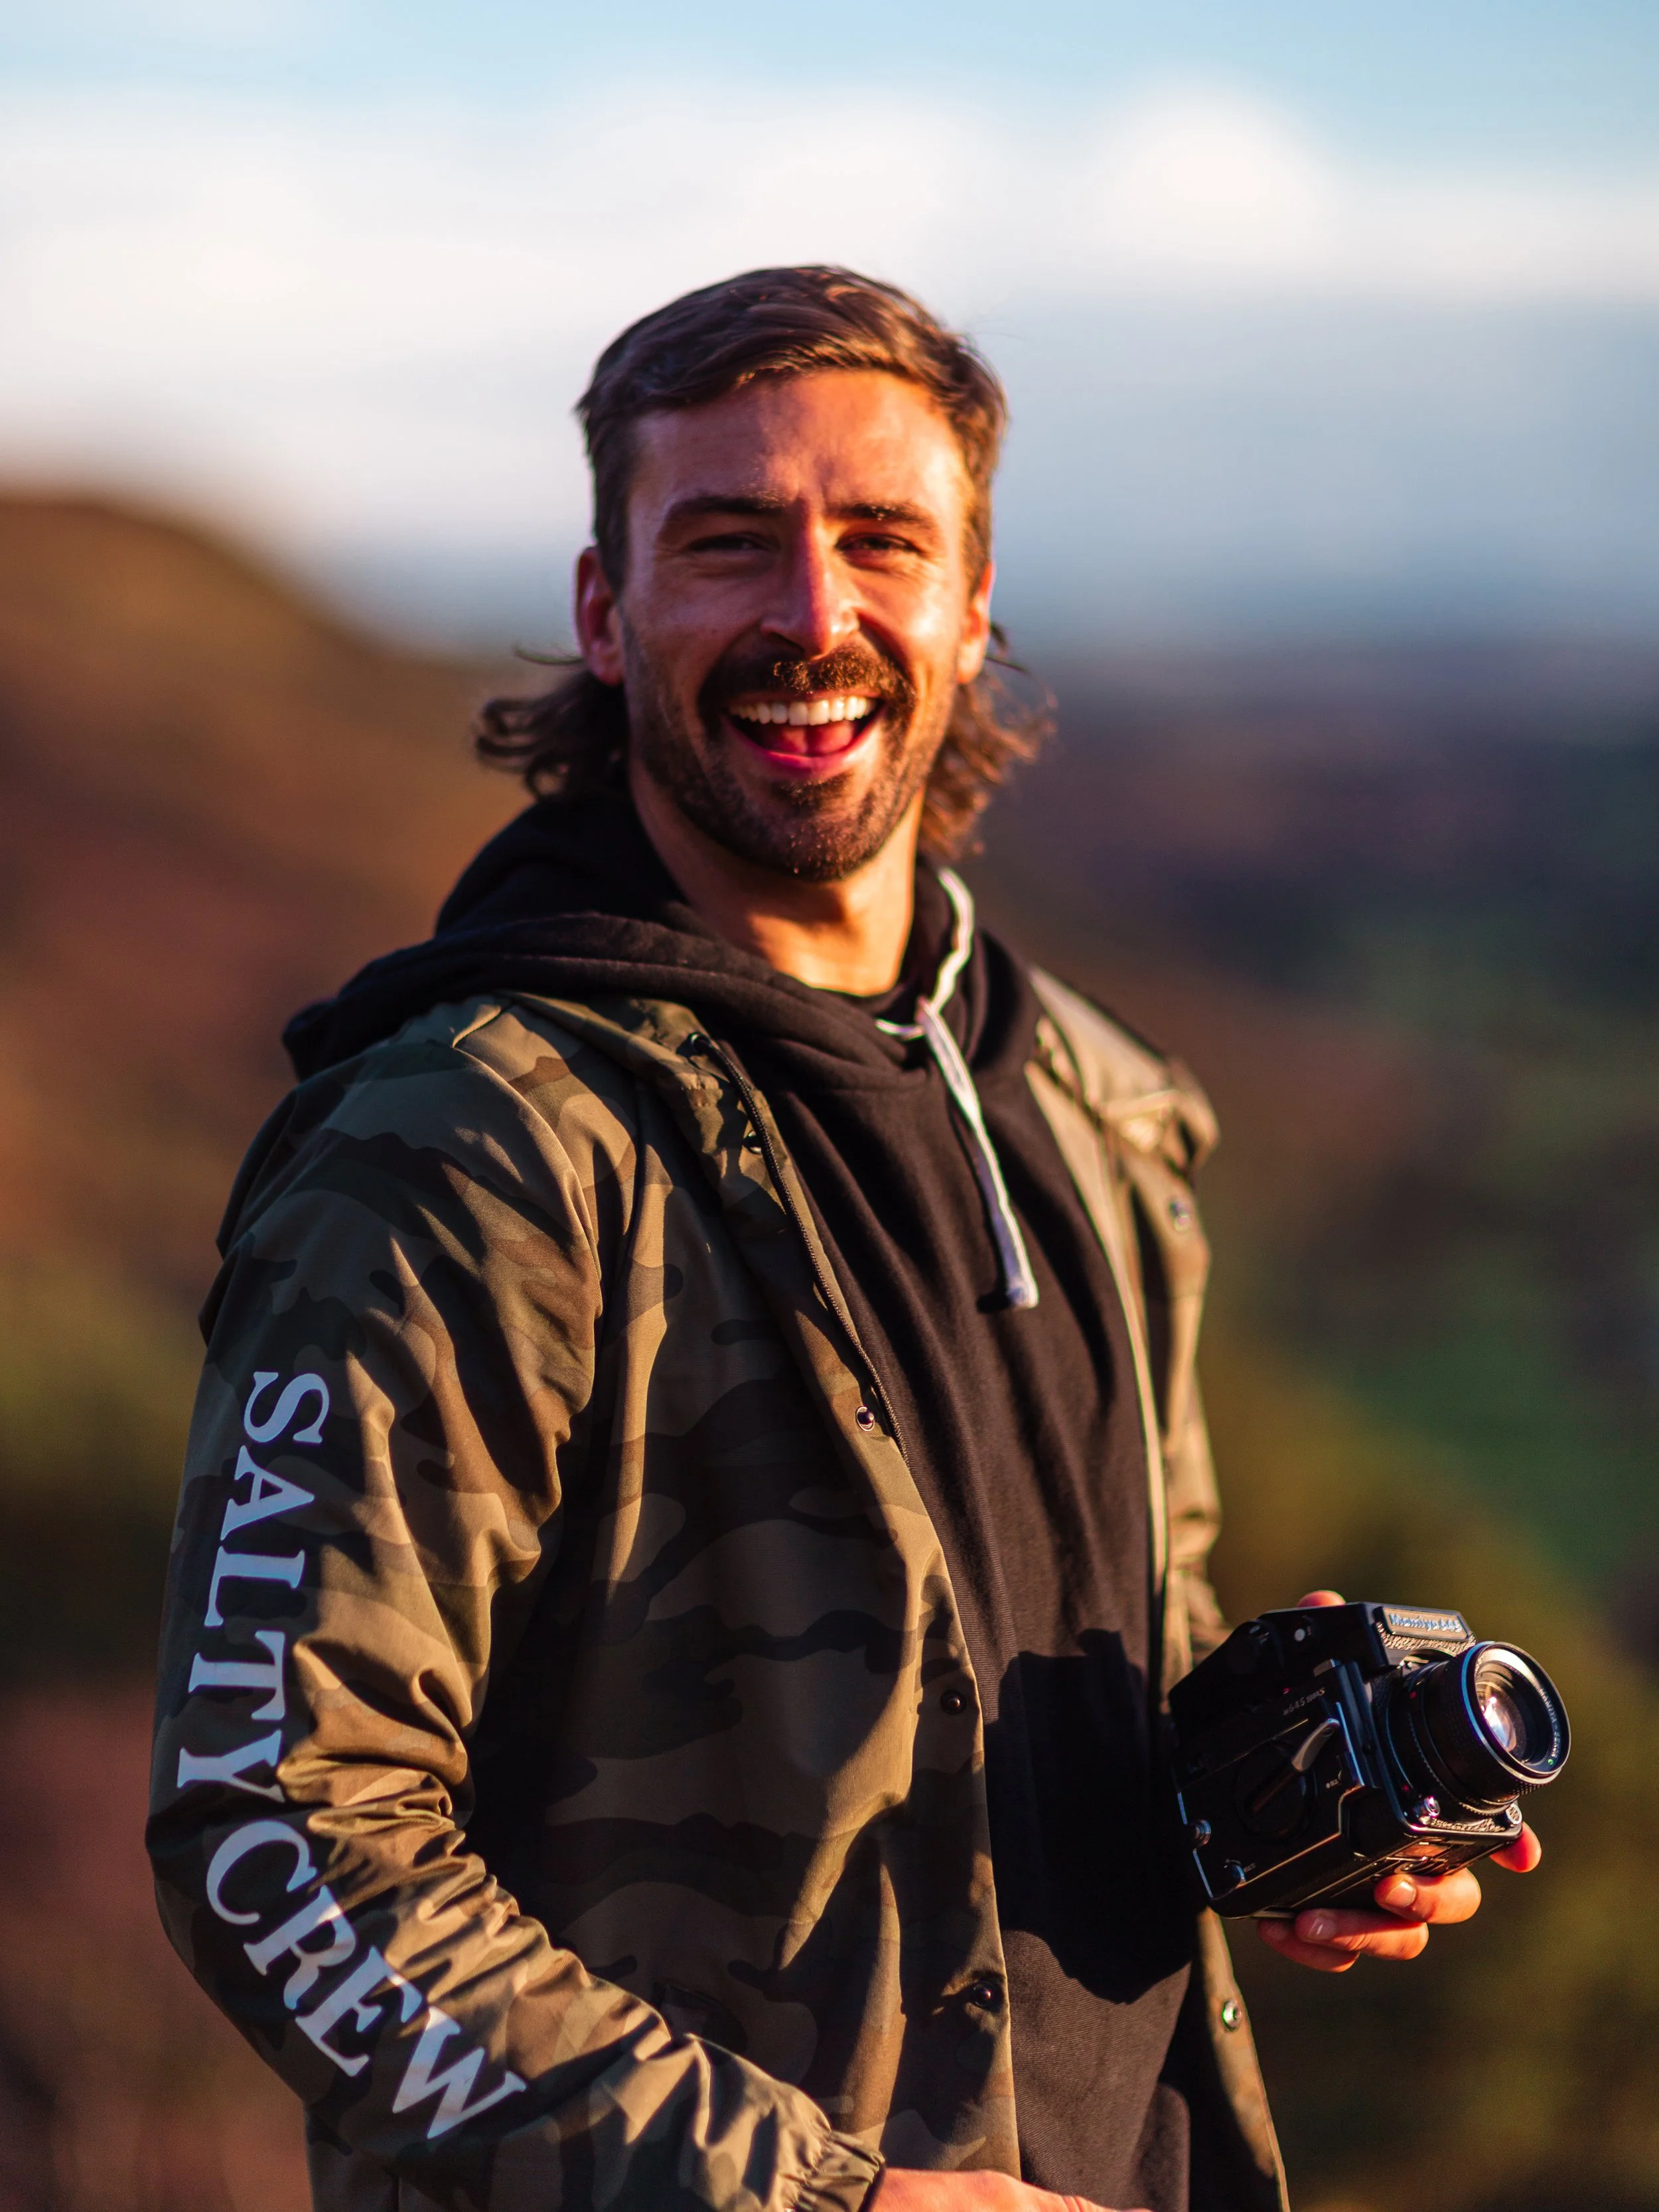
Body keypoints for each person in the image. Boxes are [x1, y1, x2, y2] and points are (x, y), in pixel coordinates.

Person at [148, 267, 1539, 2212]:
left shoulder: (1103, 1105)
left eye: (881, 538)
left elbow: (1031, 1681)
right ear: (605, 611)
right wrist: (818, 2199)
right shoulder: (468, 1145)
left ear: (972, 602)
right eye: (728, 542)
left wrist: (1275, 1806)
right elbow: (277, 1836)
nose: (814, 613)